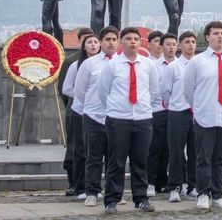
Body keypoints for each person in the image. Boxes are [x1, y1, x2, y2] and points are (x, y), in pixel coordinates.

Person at [96, 27, 159, 213]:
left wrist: (142, 105)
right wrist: (117, 107)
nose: (133, 42)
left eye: (136, 39)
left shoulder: (148, 65)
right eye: (128, 39)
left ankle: (141, 198)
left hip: (142, 118)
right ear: (121, 42)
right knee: (117, 160)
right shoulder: (112, 65)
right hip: (118, 119)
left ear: (141, 43)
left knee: (141, 160)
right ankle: (112, 200)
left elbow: (154, 91)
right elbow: (102, 92)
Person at [183, 21, 222, 210]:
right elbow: (188, 90)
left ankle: (218, 194)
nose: (220, 37)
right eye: (215, 33)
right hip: (205, 116)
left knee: (221, 158)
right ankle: (202, 193)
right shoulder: (197, 61)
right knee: (203, 158)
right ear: (207, 37)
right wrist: (200, 106)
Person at [74, 26, 120, 207]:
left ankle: (113, 192)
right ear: (100, 42)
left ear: (118, 42)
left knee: (114, 158)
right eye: (107, 39)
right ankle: (91, 191)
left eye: (114, 39)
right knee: (93, 157)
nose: (110, 43)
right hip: (94, 116)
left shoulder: (122, 62)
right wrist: (94, 105)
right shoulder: (89, 64)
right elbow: (80, 90)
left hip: (117, 117)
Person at [62, 33, 100, 200]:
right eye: (89, 42)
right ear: (83, 46)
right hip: (80, 111)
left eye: (95, 42)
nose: (93, 45)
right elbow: (66, 88)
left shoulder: (105, 64)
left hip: (99, 113)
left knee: (96, 152)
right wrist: (82, 97)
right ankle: (80, 186)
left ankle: (94, 186)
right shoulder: (75, 65)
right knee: (80, 151)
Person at [161, 31, 198, 202]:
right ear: (180, 45)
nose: (191, 45)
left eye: (193, 42)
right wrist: (175, 105)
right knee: (176, 152)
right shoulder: (173, 67)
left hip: (198, 113)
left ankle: (193, 187)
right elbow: (165, 91)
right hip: (178, 113)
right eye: (187, 42)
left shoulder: (200, 65)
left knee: (195, 152)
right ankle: (175, 187)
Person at [146, 33, 176, 197]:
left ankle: (164, 182)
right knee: (155, 147)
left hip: (177, 110)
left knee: (170, 149)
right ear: (161, 47)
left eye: (173, 44)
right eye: (167, 44)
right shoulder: (153, 65)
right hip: (158, 110)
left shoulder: (181, 65)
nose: (171, 47)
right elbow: (152, 88)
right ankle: (150, 182)